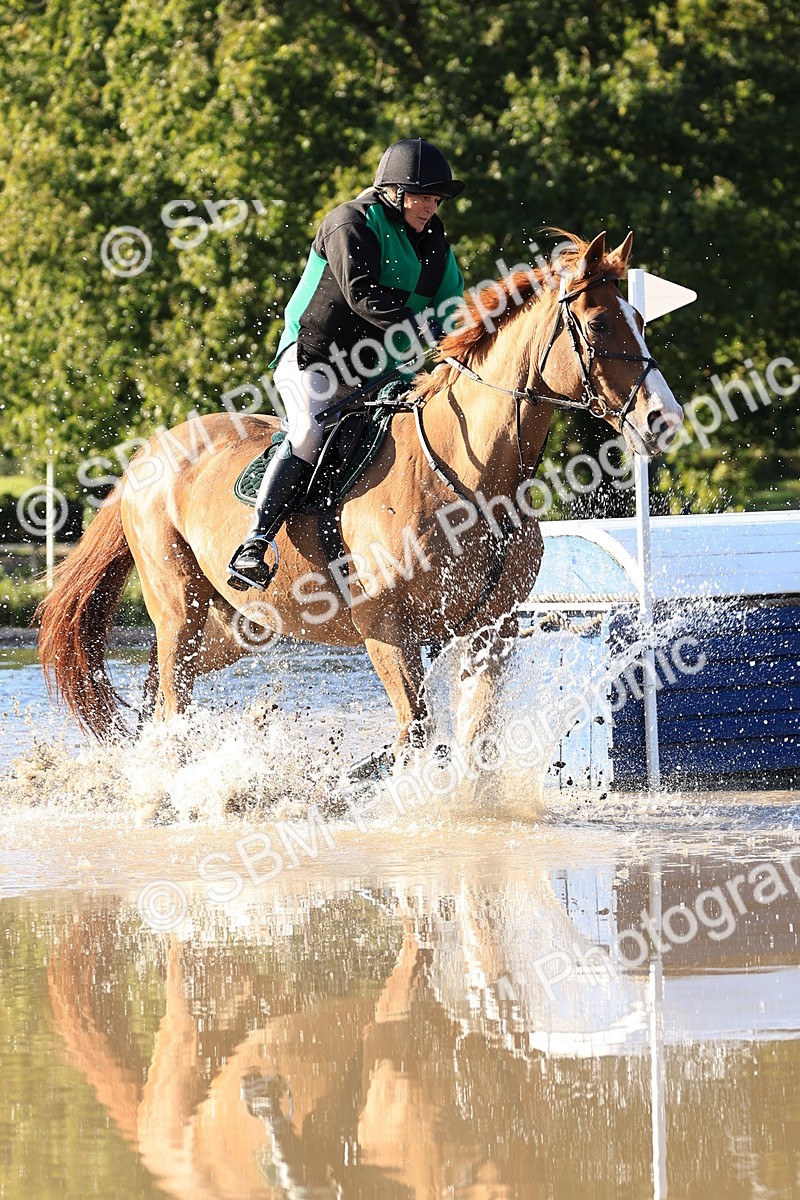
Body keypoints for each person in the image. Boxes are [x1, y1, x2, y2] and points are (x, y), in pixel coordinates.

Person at [227, 137, 465, 591]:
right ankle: (254, 543)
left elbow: (454, 310)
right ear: (393, 191)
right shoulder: (349, 222)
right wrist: (426, 329)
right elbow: (362, 296)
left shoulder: (436, 245)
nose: (431, 206)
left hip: (380, 373)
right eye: (422, 195)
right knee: (309, 431)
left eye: (436, 198)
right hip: (312, 357)